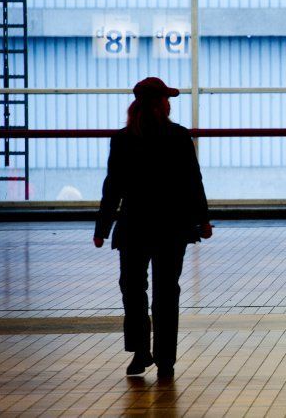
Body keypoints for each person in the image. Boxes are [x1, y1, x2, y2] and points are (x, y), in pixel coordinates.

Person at [94, 77, 212, 379]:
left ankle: (139, 351)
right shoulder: (178, 136)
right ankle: (165, 360)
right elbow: (192, 181)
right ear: (161, 103)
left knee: (132, 290)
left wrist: (102, 227)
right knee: (166, 292)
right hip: (172, 228)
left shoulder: (122, 139)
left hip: (134, 226)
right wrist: (202, 219)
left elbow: (113, 187)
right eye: (167, 98)